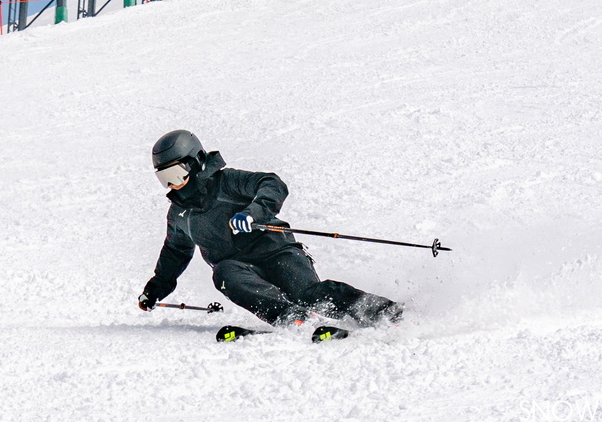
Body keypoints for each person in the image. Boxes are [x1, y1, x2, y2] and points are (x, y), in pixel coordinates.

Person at [140, 130, 404, 329]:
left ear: (196, 162)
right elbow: (175, 252)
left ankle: (383, 312)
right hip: (237, 268)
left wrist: (253, 212)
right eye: (164, 179)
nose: (172, 185)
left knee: (307, 294)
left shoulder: (227, 181)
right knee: (224, 273)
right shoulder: (180, 214)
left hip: (276, 251)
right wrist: (155, 290)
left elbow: (272, 183)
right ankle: (289, 317)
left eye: (175, 175)